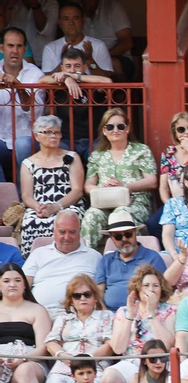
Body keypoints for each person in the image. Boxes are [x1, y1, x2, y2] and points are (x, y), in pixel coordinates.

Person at [78, 108, 153, 252]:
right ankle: (87, 257)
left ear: (128, 129)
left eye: (120, 126)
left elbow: (151, 181)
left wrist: (124, 187)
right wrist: (102, 189)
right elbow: (88, 185)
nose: (115, 130)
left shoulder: (141, 151)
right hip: (104, 204)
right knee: (90, 216)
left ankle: (126, 256)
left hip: (134, 202)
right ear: (104, 131)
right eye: (110, 127)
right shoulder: (97, 155)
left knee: (121, 213)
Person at [17, 113, 82, 257]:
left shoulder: (71, 157)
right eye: (47, 132)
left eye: (56, 132)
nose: (53, 136)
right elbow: (26, 195)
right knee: (30, 221)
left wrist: (56, 207)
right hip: (40, 207)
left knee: (69, 218)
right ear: (36, 136)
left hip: (68, 204)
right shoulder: (28, 163)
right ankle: (33, 263)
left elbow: (77, 191)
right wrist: (38, 207)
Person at [106, 265, 176, 383]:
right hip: (132, 362)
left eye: (156, 285)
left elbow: (167, 345)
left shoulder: (170, 310)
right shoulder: (123, 311)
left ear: (161, 289)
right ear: (138, 288)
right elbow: (117, 349)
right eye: (146, 285)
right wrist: (130, 316)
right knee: (109, 378)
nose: (151, 289)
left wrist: (151, 314)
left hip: (159, 362)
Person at [41, 271, 111, 383]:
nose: (82, 298)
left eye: (87, 294)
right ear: (71, 300)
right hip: (66, 363)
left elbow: (110, 344)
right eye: (77, 295)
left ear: (95, 298)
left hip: (95, 364)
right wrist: (63, 355)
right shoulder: (63, 318)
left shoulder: (106, 316)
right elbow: (51, 341)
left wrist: (88, 358)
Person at [23, 211, 97, 315]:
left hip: (79, 315)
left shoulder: (94, 257)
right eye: (62, 232)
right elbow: (23, 286)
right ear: (53, 231)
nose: (67, 237)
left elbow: (101, 292)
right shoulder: (38, 254)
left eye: (72, 232)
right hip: (41, 314)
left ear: (80, 232)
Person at [0, 262, 51, 383]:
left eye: (17, 280)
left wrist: (22, 359)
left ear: (24, 285)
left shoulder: (37, 310)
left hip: (30, 361)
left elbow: (44, 347)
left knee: (25, 371)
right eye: (6, 281)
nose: (12, 284)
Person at [92, 207, 161, 307]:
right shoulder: (106, 260)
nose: (124, 239)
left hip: (143, 314)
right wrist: (106, 315)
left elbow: (162, 291)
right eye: (118, 236)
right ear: (111, 238)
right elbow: (98, 293)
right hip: (111, 315)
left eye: (128, 234)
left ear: (135, 233)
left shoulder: (153, 258)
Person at [0, 27, 43, 184]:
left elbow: (35, 114)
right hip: (2, 139)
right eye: (10, 46)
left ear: (25, 49)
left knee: (22, 144)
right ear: (1, 48)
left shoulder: (36, 74)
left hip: (28, 139)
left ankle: (22, 200)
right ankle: (5, 198)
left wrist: (18, 88)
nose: (15, 51)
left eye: (19, 46)